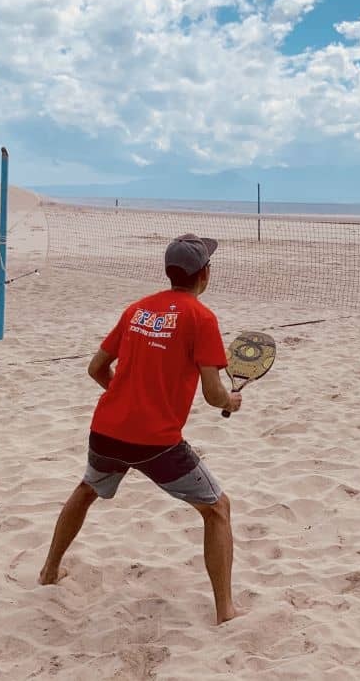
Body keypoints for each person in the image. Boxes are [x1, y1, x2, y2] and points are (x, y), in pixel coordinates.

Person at [38, 233, 243, 625]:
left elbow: (95, 368)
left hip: (107, 430)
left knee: (86, 490)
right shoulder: (202, 318)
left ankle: (49, 571)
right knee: (218, 508)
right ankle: (226, 611)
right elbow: (214, 395)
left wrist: (126, 395)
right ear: (205, 274)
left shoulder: (136, 310)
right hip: (156, 443)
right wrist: (230, 402)